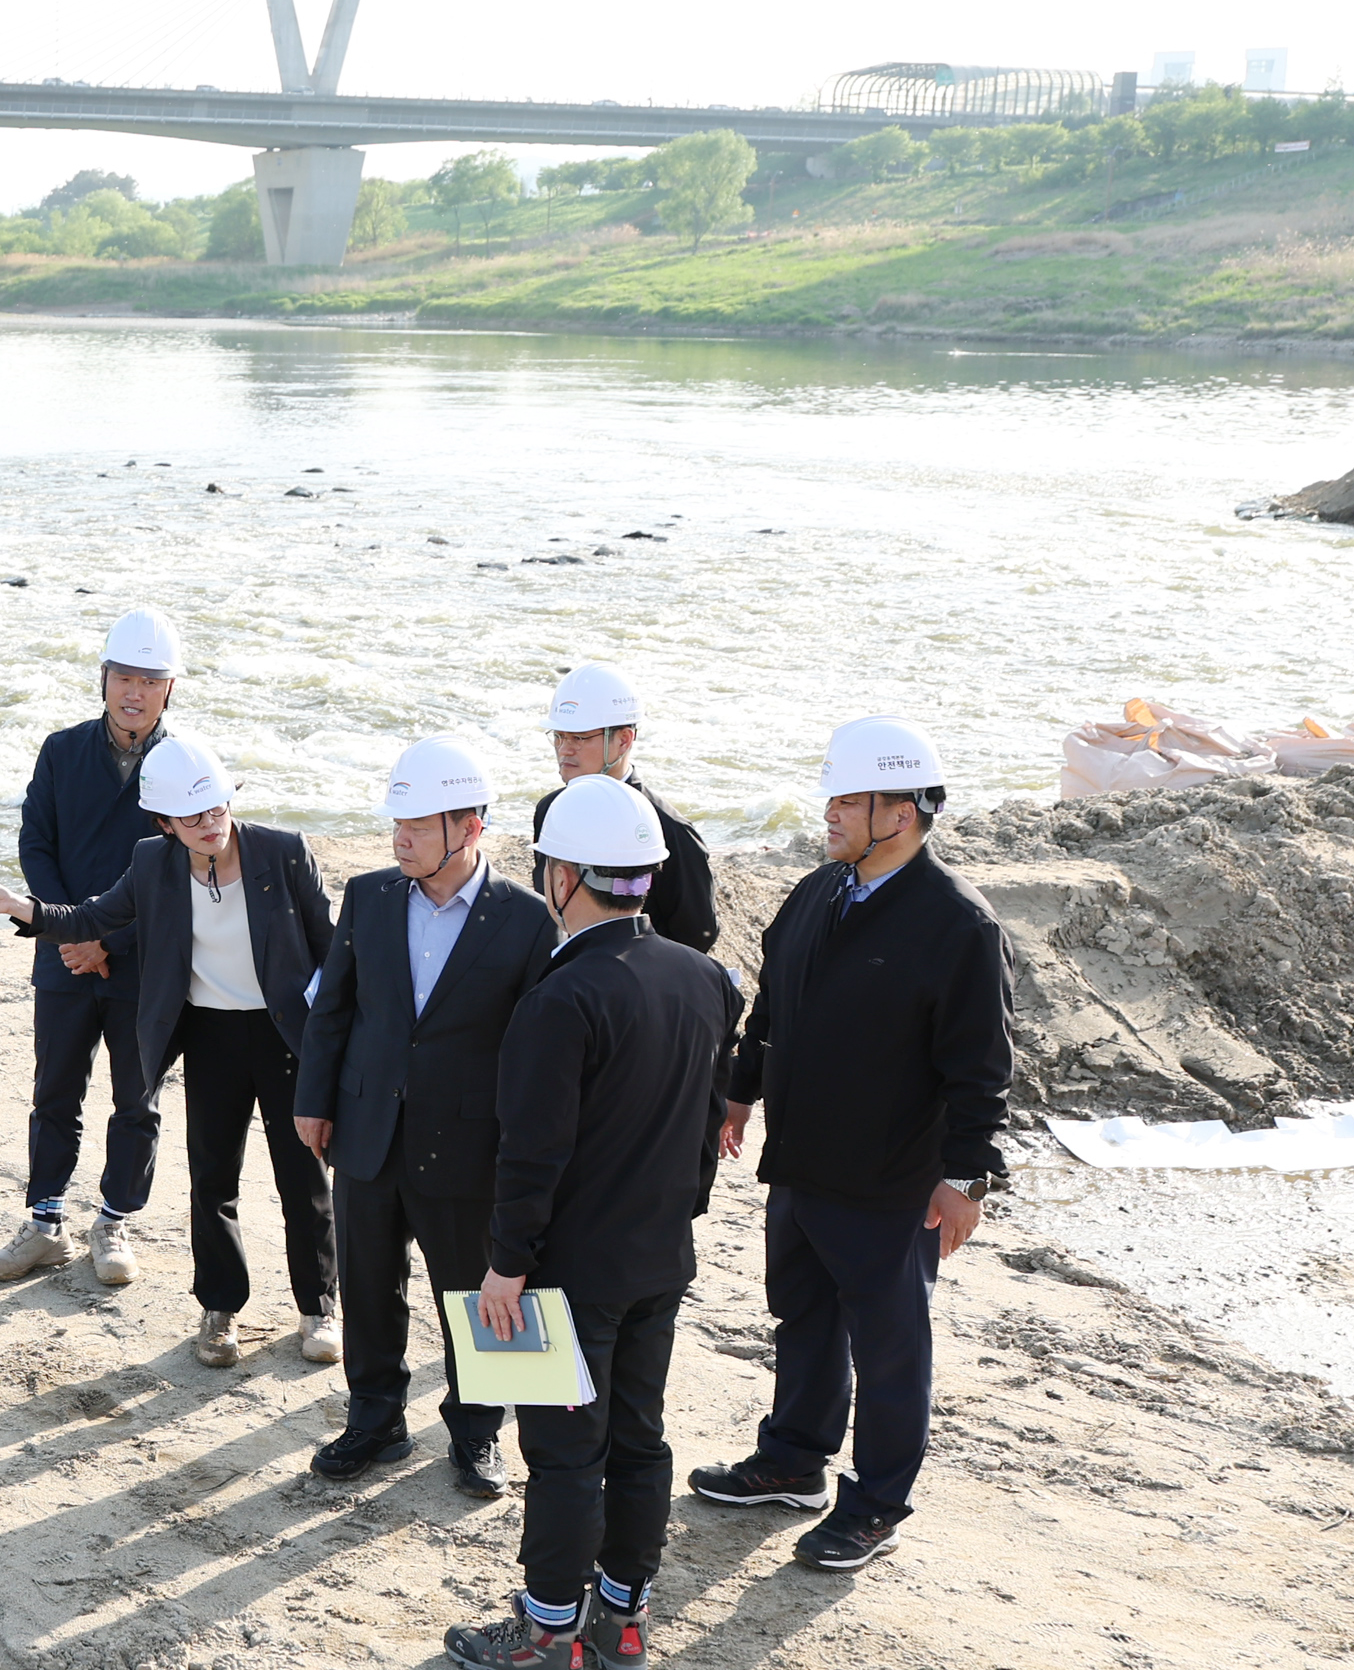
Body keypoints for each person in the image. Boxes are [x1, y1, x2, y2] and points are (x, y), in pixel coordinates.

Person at [688, 717, 1012, 1574]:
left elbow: (982, 1070)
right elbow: (773, 1012)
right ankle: (794, 1460)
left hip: (892, 1182)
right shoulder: (817, 893)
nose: (827, 812)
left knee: (890, 1346)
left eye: (847, 799)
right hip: (803, 1161)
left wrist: (966, 1179)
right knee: (803, 1317)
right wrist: (740, 1092)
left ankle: (874, 1505)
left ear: (900, 812)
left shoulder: (957, 927)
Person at [440, 775, 739, 1670]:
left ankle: (548, 1635)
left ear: (564, 875)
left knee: (564, 1454)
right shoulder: (704, 979)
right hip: (660, 1258)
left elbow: (532, 1158)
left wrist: (504, 1267)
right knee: (640, 1440)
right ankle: (623, 1620)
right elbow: (701, 1142)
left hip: (565, 1271)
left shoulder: (561, 999)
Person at [0, 736, 336, 1369]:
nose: (210, 824)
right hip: (210, 1036)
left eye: (217, 808)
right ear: (165, 823)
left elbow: (328, 947)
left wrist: (337, 1038)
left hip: (284, 1037)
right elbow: (93, 918)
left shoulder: (282, 851)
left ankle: (319, 1308)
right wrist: (20, 908)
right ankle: (219, 1311)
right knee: (211, 1181)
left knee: (303, 1179)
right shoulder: (152, 861)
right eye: (192, 817)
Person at [290, 736, 560, 1494]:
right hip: (365, 1129)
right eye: (396, 823)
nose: (399, 838)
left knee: (474, 1294)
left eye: (417, 824)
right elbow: (332, 1008)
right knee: (370, 1287)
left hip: (470, 1143)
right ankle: (374, 1420)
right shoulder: (369, 895)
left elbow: (535, 1051)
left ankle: (478, 1432)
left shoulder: (529, 921)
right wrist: (313, 1101)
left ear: (469, 827)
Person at [0, 608, 181, 1291]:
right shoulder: (62, 751)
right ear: (103, 680)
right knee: (55, 1092)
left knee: (137, 1100)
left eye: (149, 681)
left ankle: (114, 1221)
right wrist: (74, 934)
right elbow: (36, 843)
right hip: (63, 956)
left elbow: (186, 871)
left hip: (141, 964)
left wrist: (108, 942)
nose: (135, 691)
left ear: (169, 690)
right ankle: (44, 1224)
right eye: (124, 676)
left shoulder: (182, 767)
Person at [527, 664, 719, 955]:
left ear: (624, 740)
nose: (564, 749)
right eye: (559, 736)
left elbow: (696, 935)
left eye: (579, 738)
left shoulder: (670, 830)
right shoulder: (550, 810)